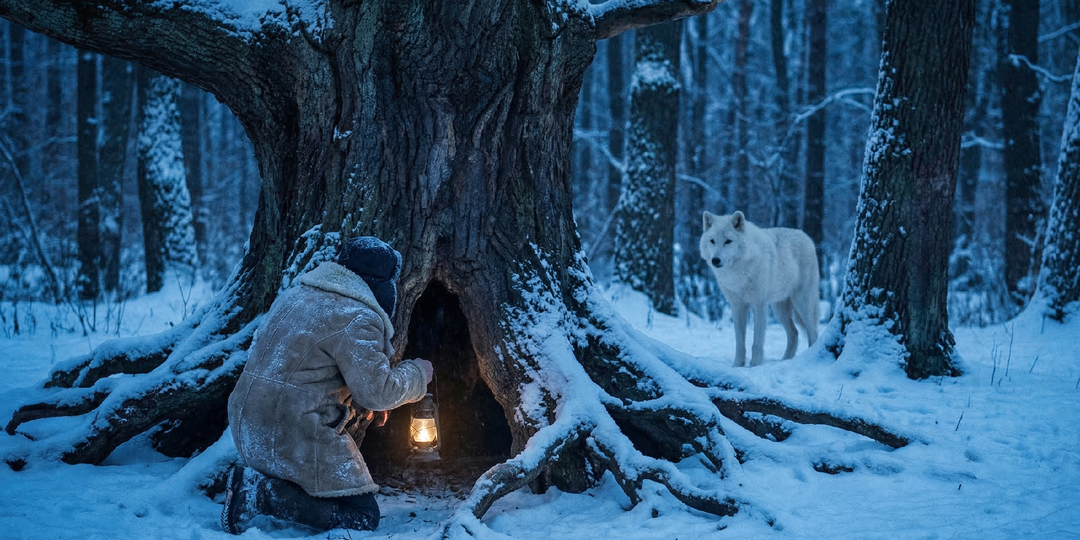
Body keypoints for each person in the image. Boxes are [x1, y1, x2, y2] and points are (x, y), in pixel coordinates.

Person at [221, 236, 433, 534]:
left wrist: (360, 400)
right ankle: (260, 495)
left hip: (247, 424)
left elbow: (308, 367)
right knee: (362, 517)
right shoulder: (357, 316)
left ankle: (266, 487)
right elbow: (379, 392)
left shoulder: (296, 295)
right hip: (290, 429)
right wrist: (418, 374)